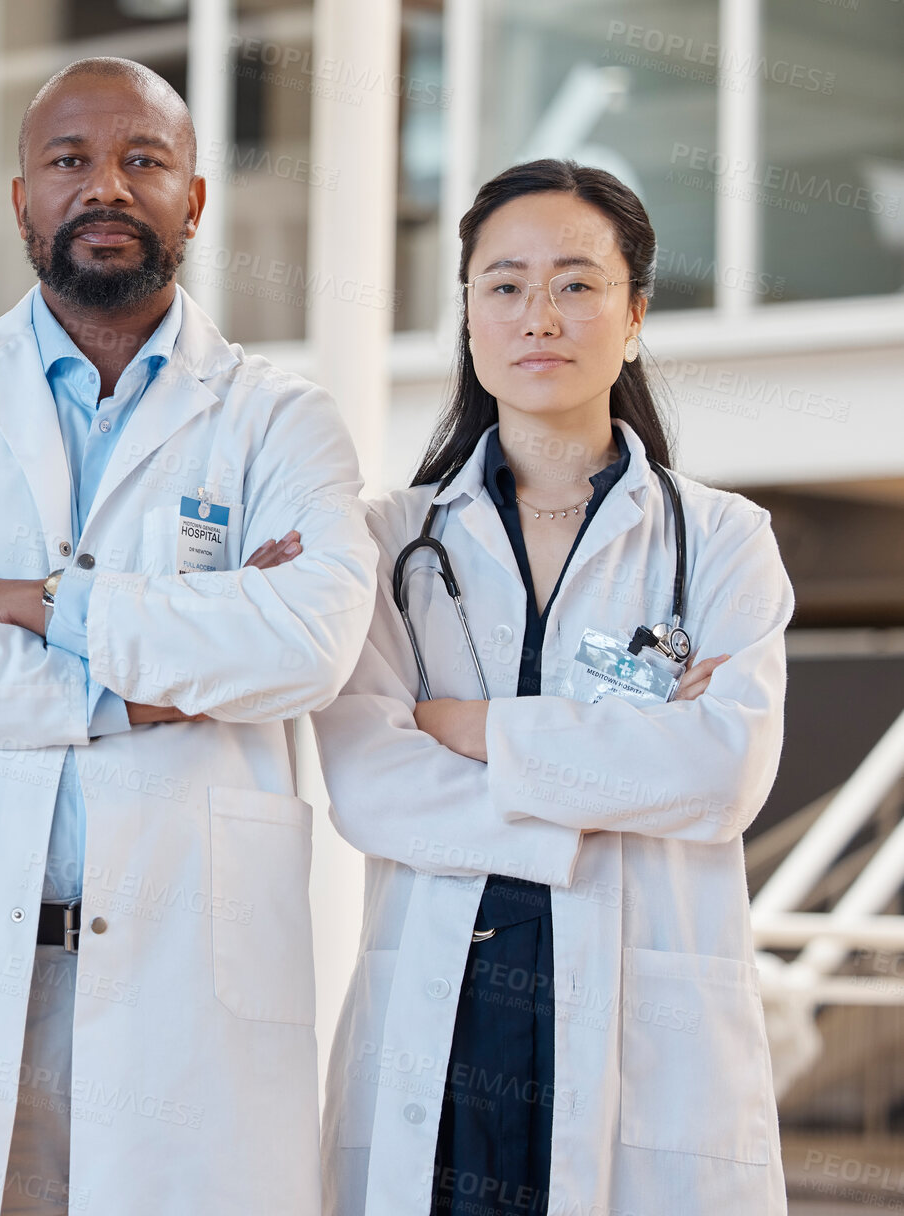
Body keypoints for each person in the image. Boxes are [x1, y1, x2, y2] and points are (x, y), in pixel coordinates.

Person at [0, 57, 377, 1216]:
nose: (104, 187)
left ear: (194, 201)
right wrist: (136, 689)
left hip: (186, 987)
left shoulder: (281, 420)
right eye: (69, 160)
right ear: (21, 200)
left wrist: (30, 601)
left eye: (142, 160)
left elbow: (304, 642)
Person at [314, 158, 793, 1215]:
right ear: (469, 318)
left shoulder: (718, 542)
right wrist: (605, 784)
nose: (539, 313)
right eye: (504, 284)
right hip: (443, 1029)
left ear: (632, 317)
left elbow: (717, 774)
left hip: (643, 1031)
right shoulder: (389, 541)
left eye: (576, 282)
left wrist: (470, 727)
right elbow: (369, 783)